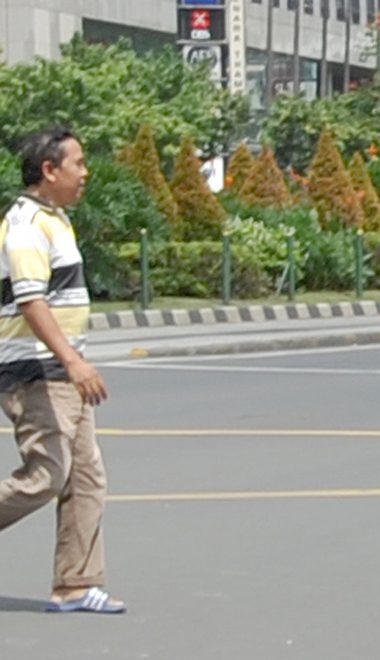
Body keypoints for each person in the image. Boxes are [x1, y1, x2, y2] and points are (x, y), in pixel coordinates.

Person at [0, 129, 125, 614]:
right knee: (46, 476)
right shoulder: (27, 223)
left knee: (86, 477)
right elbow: (31, 299)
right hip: (39, 370)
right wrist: (72, 361)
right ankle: (75, 581)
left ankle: (76, 583)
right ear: (49, 171)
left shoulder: (55, 220)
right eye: (78, 163)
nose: (86, 172)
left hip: (60, 370)